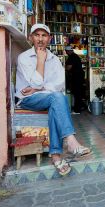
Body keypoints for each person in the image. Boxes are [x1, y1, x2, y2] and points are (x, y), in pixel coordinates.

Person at [15, 23, 90, 176]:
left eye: (44, 35)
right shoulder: (23, 58)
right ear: (31, 38)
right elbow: (35, 84)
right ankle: (70, 140)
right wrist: (41, 61)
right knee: (57, 98)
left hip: (48, 98)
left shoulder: (55, 60)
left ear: (49, 39)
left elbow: (60, 84)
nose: (40, 39)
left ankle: (56, 156)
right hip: (28, 99)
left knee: (56, 99)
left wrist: (39, 88)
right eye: (37, 35)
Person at [64, 40, 89, 113]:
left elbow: (69, 67)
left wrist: (63, 68)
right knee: (78, 93)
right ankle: (80, 107)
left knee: (77, 93)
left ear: (68, 51)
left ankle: (77, 110)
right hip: (78, 77)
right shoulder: (75, 56)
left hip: (76, 78)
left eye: (66, 51)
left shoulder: (72, 57)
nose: (66, 52)